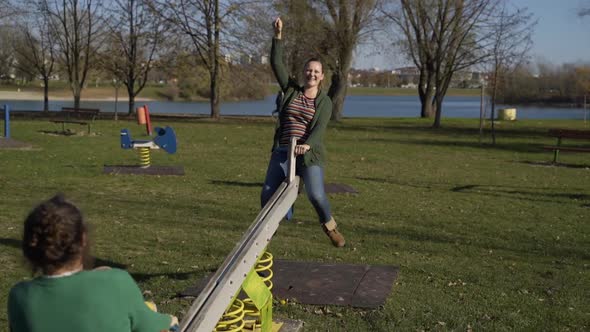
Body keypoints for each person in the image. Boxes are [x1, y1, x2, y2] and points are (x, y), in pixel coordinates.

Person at [7, 194, 179, 332]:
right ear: (82, 239)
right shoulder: (116, 282)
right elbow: (150, 326)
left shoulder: (20, 296)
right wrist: (170, 320)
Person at [261, 17, 345, 247]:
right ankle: (266, 236)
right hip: (283, 151)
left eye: (316, 71)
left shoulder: (324, 102)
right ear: (304, 72)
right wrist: (277, 36)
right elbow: (276, 63)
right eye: (309, 70)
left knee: (316, 195)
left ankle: (330, 226)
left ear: (322, 76)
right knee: (266, 195)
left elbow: (319, 129)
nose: (312, 74)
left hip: (309, 155)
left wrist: (307, 144)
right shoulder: (291, 90)